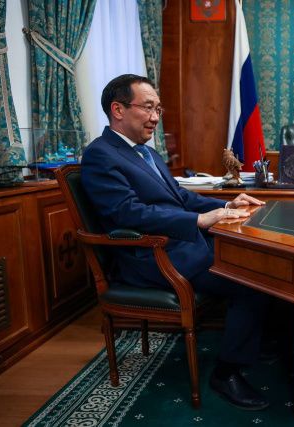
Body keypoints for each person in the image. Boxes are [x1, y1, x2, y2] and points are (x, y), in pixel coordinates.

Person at [81, 74, 270, 410]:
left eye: (158, 109)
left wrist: (227, 205)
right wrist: (197, 221)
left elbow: (181, 197)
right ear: (118, 110)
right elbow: (127, 212)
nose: (155, 117)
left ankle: (254, 343)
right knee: (252, 281)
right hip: (150, 257)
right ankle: (226, 373)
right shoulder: (100, 155)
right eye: (148, 108)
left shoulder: (147, 153)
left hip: (181, 245)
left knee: (260, 263)